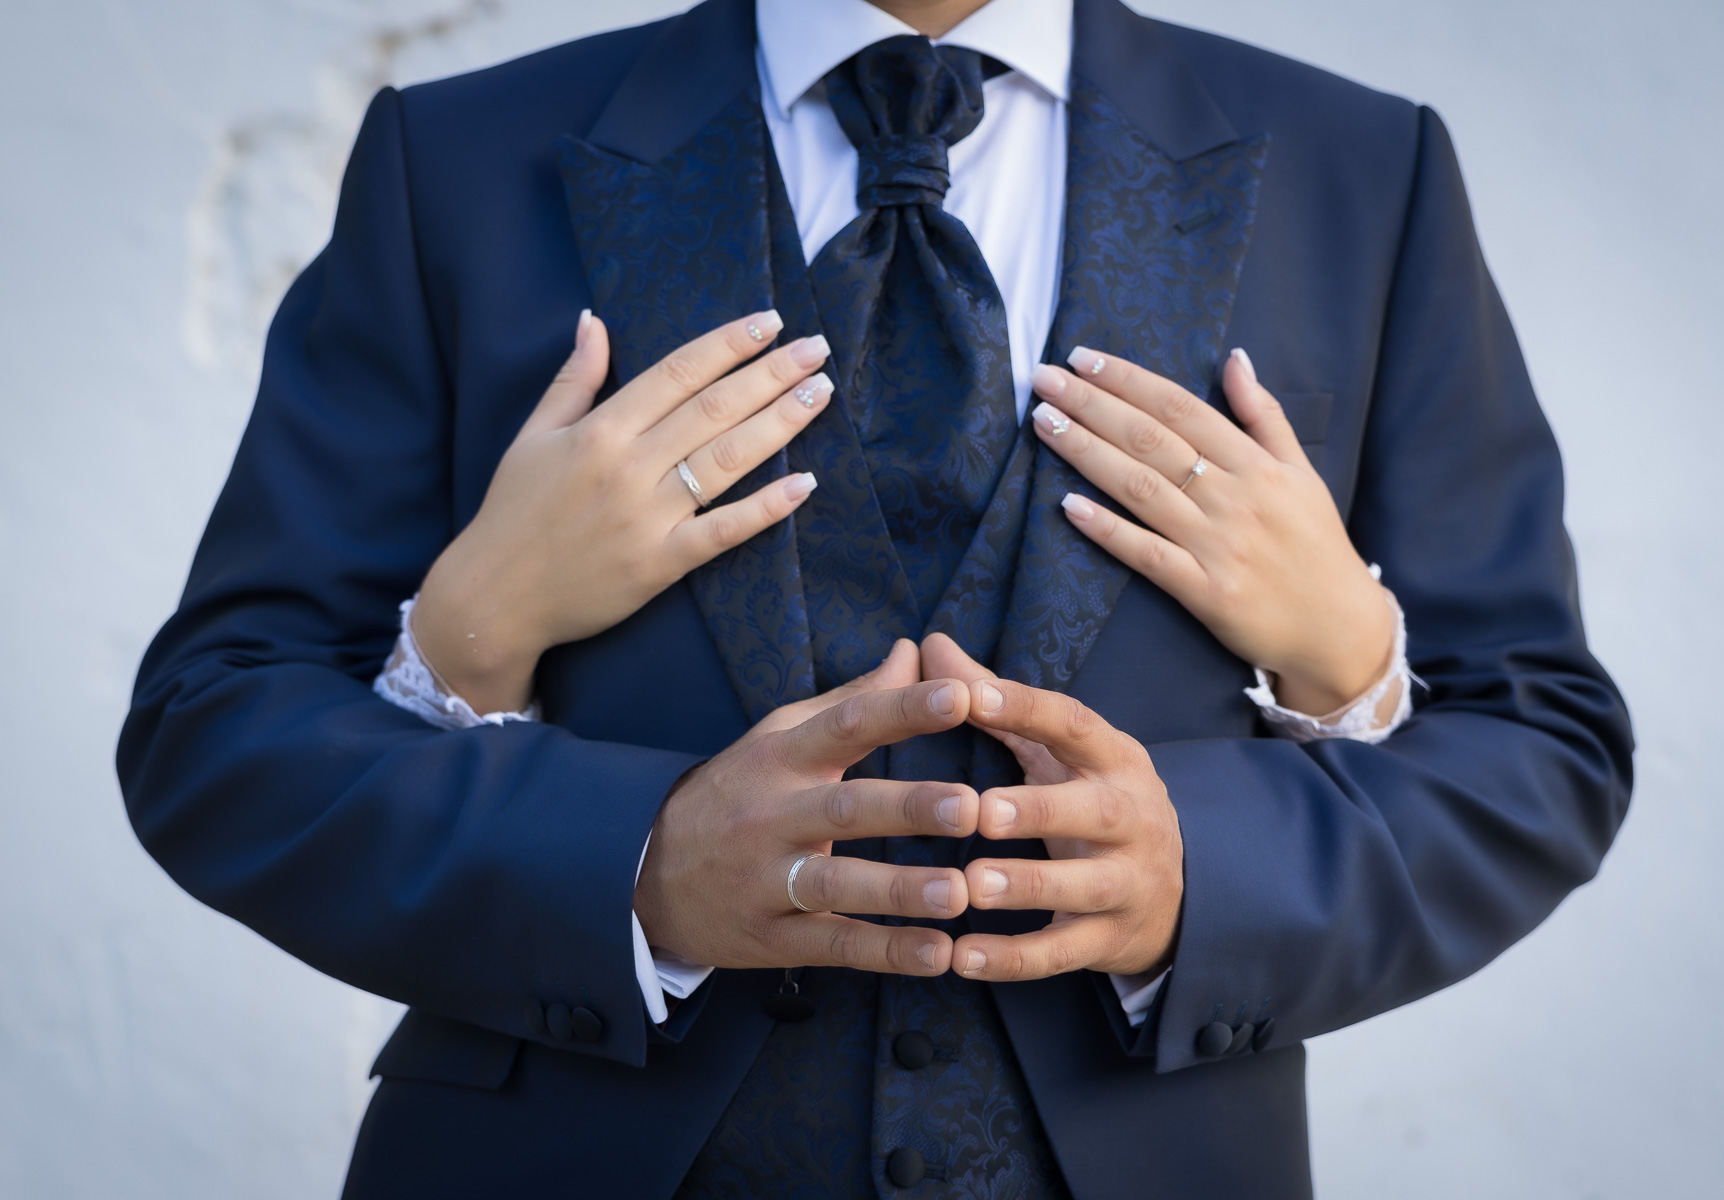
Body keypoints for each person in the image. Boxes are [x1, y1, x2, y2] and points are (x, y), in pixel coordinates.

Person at [117, 0, 1634, 1195]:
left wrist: (1262, 790)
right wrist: (617, 851)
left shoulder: (1360, 176)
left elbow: (1537, 744)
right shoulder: (455, 162)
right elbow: (219, 728)